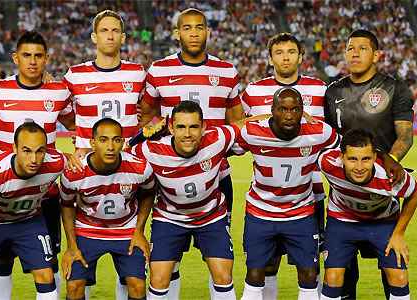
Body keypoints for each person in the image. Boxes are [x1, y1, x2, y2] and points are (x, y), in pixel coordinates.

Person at [138, 9, 244, 296]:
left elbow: (238, 121)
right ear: (177, 33)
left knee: (220, 257)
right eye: (187, 28)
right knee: (167, 262)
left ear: (208, 31)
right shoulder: (159, 70)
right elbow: (145, 118)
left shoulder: (226, 71)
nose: (194, 33)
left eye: (200, 27)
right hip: (170, 177)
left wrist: (221, 149)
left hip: (216, 175)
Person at [133, 101, 267, 300]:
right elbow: (116, 153)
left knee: (223, 276)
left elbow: (246, 124)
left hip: (211, 218)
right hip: (170, 218)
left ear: (204, 127)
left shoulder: (218, 138)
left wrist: (285, 118)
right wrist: (140, 136)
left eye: (194, 126)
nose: (187, 134)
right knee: (159, 280)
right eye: (181, 127)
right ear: (170, 128)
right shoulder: (150, 150)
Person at [0, 30, 75, 299]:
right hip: (3, 192)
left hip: (45, 191)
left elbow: (76, 123)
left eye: (38, 56)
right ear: (15, 58)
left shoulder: (58, 92)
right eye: (26, 56)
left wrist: (73, 153)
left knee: (49, 259)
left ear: (46, 59)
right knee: (2, 261)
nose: (32, 61)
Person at [324, 29, 414, 300]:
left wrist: (390, 162)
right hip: (344, 196)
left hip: (381, 194)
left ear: (376, 55)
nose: (354, 52)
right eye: (350, 48)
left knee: (392, 269)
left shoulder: (394, 87)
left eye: (362, 48)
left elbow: (405, 136)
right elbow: (327, 139)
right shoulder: (333, 91)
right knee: (343, 272)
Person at [240, 32, 328, 298]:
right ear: (270, 58)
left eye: (291, 51)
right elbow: (241, 124)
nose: (285, 57)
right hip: (268, 190)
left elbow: (329, 135)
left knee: (311, 262)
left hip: (311, 190)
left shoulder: (319, 89)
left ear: (301, 56)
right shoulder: (254, 91)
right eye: (279, 52)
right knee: (267, 263)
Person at [233, 87, 339, 300]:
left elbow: (347, 148)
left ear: (303, 111)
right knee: (255, 274)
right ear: (272, 110)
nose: (289, 115)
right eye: (282, 109)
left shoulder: (320, 133)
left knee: (309, 275)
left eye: (295, 109)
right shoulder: (252, 133)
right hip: (260, 213)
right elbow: (220, 142)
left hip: (301, 214)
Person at [0, 122, 76, 300]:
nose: (34, 159)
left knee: (46, 274)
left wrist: (73, 157)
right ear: (14, 148)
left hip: (28, 221)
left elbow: (68, 159)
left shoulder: (55, 162)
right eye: (27, 150)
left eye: (40, 151)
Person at [318, 129, 417, 300]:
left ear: (374, 157)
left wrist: (399, 234)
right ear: (341, 157)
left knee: (399, 277)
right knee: (332, 277)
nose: (359, 167)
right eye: (352, 159)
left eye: (366, 159)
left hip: (382, 222)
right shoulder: (327, 163)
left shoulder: (391, 177)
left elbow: (414, 193)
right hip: (342, 221)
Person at [59, 118, 155, 300]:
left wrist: (139, 231)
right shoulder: (74, 172)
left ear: (122, 142)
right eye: (103, 140)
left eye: (116, 140)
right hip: (87, 230)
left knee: (137, 285)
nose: (110, 146)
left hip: (126, 230)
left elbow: (149, 193)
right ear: (92, 143)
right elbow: (66, 205)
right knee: (74, 286)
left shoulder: (139, 167)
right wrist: (72, 246)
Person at [64, 10, 146, 159]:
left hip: (129, 160)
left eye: (115, 31)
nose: (110, 36)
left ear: (122, 38)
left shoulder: (138, 73)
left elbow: (150, 109)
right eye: (104, 31)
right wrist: (81, 132)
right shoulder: (75, 75)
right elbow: (57, 107)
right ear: (94, 37)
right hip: (88, 160)